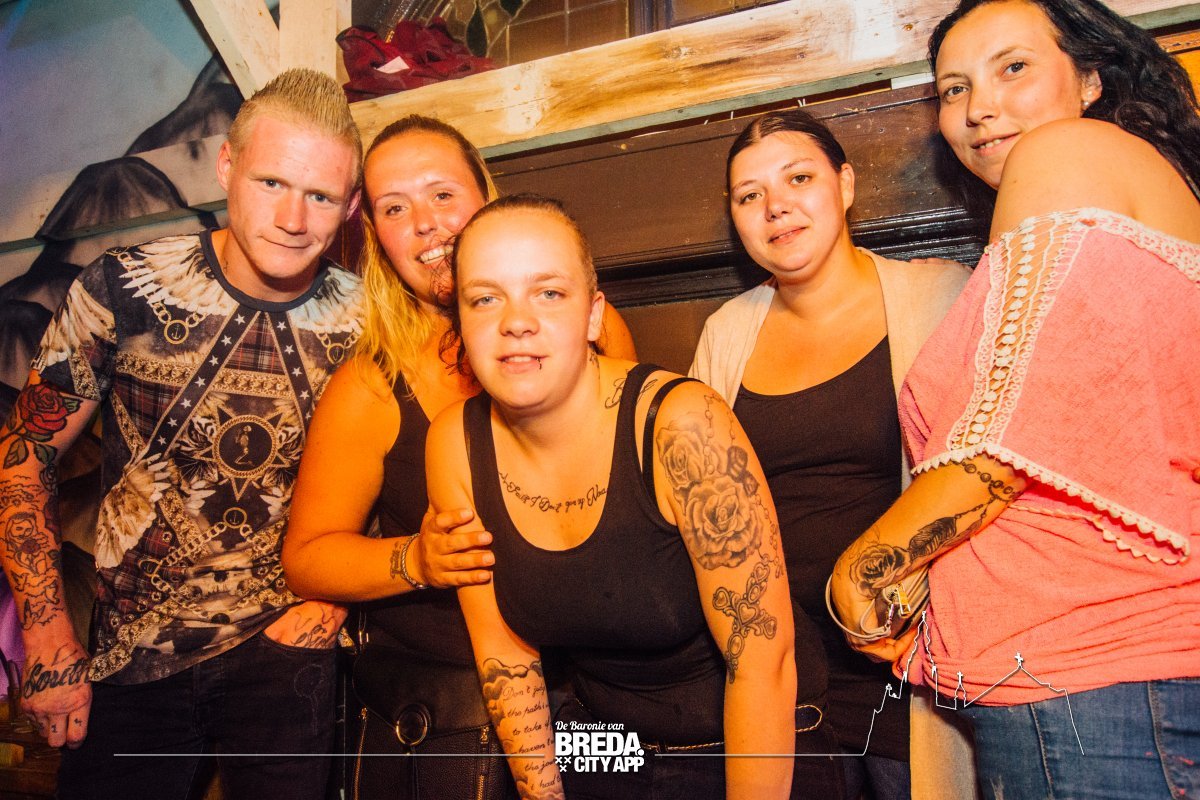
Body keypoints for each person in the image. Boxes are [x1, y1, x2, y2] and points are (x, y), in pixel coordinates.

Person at [829, 2, 1200, 799]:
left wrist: (864, 570)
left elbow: (1015, 427)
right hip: (1103, 688)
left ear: (1091, 80)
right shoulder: (1108, 188)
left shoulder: (1064, 150)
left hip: (1094, 686)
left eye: (1014, 68)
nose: (978, 107)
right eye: (953, 88)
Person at [0, 68, 365, 800]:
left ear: (350, 206)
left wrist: (332, 605)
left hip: (288, 656)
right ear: (227, 165)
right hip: (131, 660)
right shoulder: (122, 286)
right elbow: (24, 459)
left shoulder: (369, 321)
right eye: (270, 182)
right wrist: (46, 634)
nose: (293, 218)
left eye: (320, 196)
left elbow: (411, 472)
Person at [425, 192, 846, 799]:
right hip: (603, 744)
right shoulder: (455, 445)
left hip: (750, 740)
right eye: (485, 298)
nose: (516, 321)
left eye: (549, 293)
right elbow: (505, 660)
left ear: (594, 316)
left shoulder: (683, 425)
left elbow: (762, 661)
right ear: (462, 324)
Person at [281, 116, 635, 800]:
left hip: (597, 695)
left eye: (443, 194)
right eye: (394, 208)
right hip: (449, 722)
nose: (425, 223)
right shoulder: (371, 385)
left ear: (485, 196)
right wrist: (416, 559)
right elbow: (307, 557)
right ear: (376, 238)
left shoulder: (586, 328)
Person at [690, 108, 972, 800]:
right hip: (784, 680)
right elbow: (694, 513)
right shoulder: (726, 333)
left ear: (844, 185)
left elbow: (987, 478)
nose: (775, 206)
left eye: (798, 178)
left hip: (910, 670)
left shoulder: (939, 295)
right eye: (750, 195)